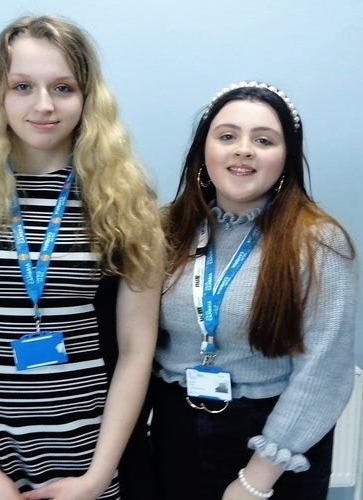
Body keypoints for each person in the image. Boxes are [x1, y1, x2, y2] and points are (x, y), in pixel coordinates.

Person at [0, 14, 164, 500]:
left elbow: (136, 347)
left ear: (88, 96)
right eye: (22, 86)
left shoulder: (127, 197)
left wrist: (97, 477)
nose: (43, 105)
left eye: (63, 88)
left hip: (91, 458)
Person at [150, 81, 358, 500]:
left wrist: (256, 480)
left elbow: (325, 371)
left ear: (286, 157)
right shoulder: (166, 229)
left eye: (263, 140)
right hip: (176, 429)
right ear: (203, 149)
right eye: (227, 136)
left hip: (272, 441)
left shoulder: (317, 241)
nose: (243, 150)